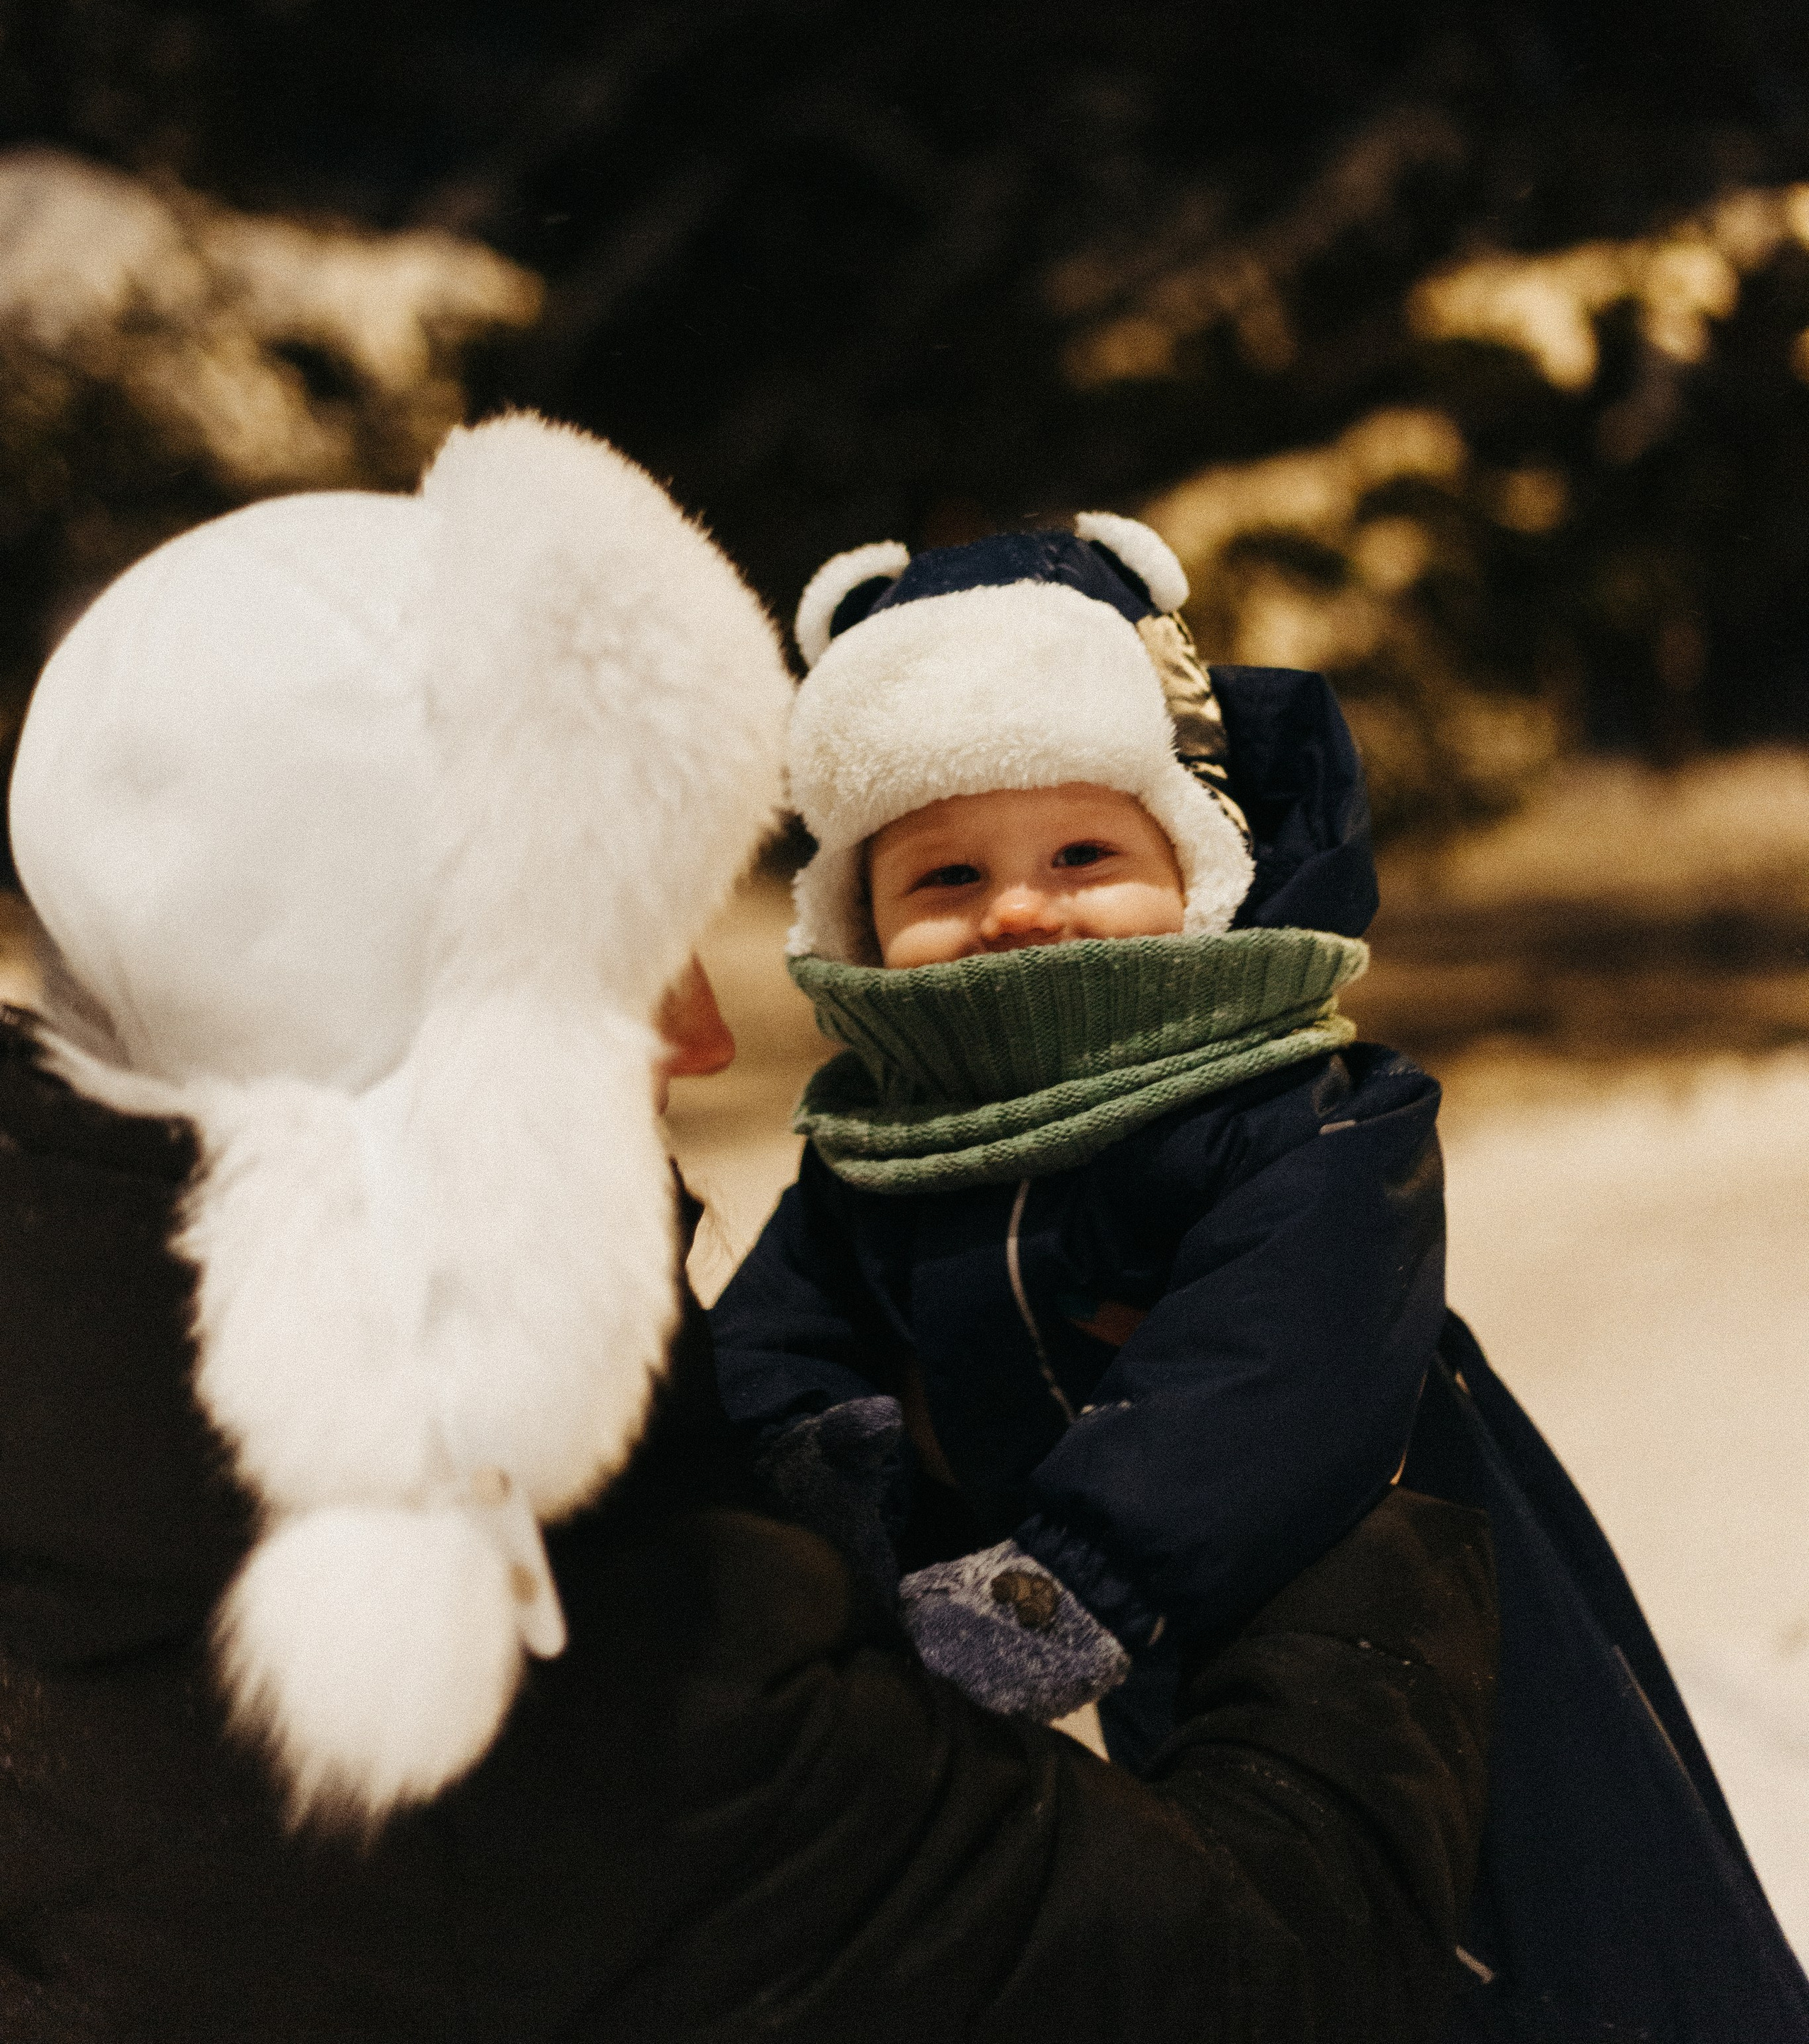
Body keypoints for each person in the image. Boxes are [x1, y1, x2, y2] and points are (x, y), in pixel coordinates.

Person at [0, 414, 1499, 2044]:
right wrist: (1365, 1549)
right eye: (618, 957)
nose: (706, 1040)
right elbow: (1264, 1970)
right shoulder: (629, 1696)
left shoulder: (81, 1481)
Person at [709, 516, 1809, 2043]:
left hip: (1391, 1595)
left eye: (1081, 854)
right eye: (945, 875)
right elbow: (779, 1346)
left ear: (1196, 870)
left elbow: (1271, 1366)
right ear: (858, 927)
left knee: (1533, 1914)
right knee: (1254, 1939)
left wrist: (1072, 1579)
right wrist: (819, 1494)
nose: (1017, 909)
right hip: (1142, 1655)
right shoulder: (876, 1156)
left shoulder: (1291, 1109)